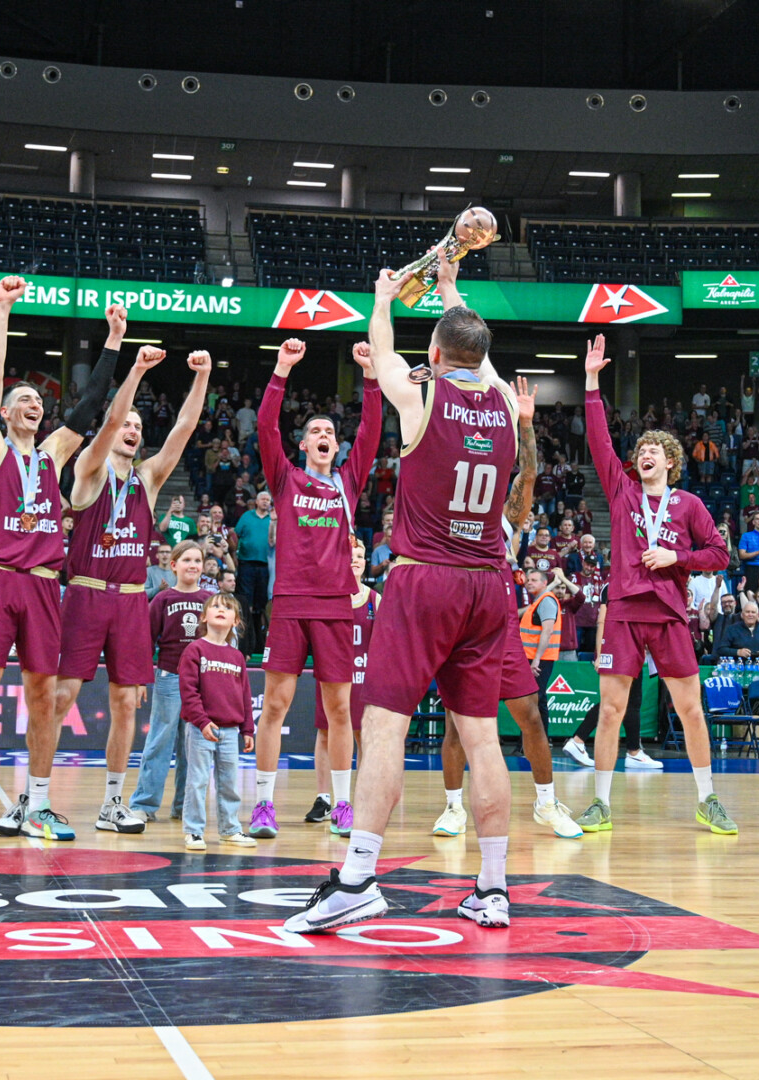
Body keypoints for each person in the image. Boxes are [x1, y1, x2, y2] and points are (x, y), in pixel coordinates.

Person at [286, 240, 531, 935]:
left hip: (425, 579)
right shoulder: (505, 405)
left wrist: (383, 299)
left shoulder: (423, 394)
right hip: (488, 584)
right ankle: (493, 887)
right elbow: (477, 350)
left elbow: (385, 350)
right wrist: (450, 290)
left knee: (384, 725)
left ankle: (358, 878)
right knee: (481, 740)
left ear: (438, 349)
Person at [0, 277, 122, 845]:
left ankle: (39, 805)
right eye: (23, 400)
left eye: (38, 402)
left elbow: (90, 406)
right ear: (4, 413)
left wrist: (113, 341)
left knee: (44, 697)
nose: (34, 405)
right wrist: (1, 310)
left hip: (47, 585)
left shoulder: (51, 454)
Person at [575, 333, 735, 836]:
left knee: (690, 710)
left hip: (668, 614)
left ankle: (708, 799)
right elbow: (599, 441)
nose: (645, 453)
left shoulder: (689, 505)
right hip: (624, 610)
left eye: (655, 450)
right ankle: (600, 803)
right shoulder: (622, 491)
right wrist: (592, 382)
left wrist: (676, 557)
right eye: (641, 449)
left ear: (670, 462)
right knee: (611, 710)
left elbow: (719, 554)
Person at [51, 339, 210, 836]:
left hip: (129, 601)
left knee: (126, 704)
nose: (133, 430)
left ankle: (113, 803)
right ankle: (35, 796)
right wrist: (136, 372)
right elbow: (108, 423)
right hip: (85, 592)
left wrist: (202, 377)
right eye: (126, 424)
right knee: (61, 696)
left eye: (139, 427)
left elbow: (183, 430)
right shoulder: (88, 469)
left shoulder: (148, 478)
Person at [249, 337, 381, 839]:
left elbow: (370, 433)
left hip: (334, 606)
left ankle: (343, 805)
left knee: (339, 709)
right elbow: (266, 427)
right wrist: (281, 369)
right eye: (315, 432)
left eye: (330, 431)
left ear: (335, 446)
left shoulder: (347, 483)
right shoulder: (286, 480)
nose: (324, 435)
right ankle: (263, 805)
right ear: (303, 446)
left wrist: (370, 377)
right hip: (289, 603)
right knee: (275, 705)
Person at [435, 497, 585, 839]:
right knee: (454, 726)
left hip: (504, 637)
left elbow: (523, 491)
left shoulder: (501, 533)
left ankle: (546, 803)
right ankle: (453, 807)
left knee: (531, 718)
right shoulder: (451, 536)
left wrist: (527, 459)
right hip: (463, 637)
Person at [130, 541, 213, 823]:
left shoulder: (210, 600)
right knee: (160, 741)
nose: (193, 565)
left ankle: (184, 806)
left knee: (195, 746)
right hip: (169, 677)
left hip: (202, 682)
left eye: (197, 560)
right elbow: (144, 641)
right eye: (187, 560)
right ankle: (144, 804)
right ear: (174, 565)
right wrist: (141, 679)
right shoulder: (163, 599)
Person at [178, 593, 255, 850]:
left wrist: (247, 729)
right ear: (203, 617)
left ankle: (230, 829)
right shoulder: (194, 650)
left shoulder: (237, 657)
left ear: (236, 621)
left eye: (227, 608)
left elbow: (244, 695)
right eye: (216, 606)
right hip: (201, 729)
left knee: (229, 782)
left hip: (230, 731)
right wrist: (201, 721)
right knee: (198, 781)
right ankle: (194, 831)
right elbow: (188, 691)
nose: (221, 610)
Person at [309, 539, 375, 823]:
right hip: (332, 675)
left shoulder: (375, 599)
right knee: (325, 733)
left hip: (363, 677)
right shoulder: (326, 597)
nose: (355, 560)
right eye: (350, 555)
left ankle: (359, 797)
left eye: (360, 555)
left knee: (362, 737)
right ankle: (324, 798)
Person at [230, 489, 275, 651]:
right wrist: (234, 555)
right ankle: (245, 641)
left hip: (266, 566)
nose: (265, 502)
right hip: (246, 563)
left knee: (261, 605)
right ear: (256, 501)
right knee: (246, 602)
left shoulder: (273, 519)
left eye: (268, 500)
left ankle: (259, 642)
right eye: (263, 499)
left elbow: (276, 541)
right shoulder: (246, 516)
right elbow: (235, 535)